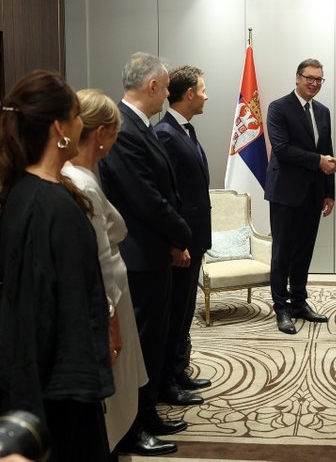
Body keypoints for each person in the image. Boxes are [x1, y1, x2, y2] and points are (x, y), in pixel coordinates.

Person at [0, 70, 114, 461]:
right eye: (77, 115)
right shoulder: (49, 206)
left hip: (53, 386)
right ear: (59, 129)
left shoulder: (29, 192)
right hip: (59, 397)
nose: (82, 124)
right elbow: (36, 315)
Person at [99, 52, 192, 456]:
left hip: (153, 252)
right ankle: (133, 428)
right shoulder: (123, 127)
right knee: (140, 345)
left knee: (153, 341)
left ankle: (148, 412)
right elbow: (146, 199)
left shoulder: (141, 124)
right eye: (166, 87)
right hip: (138, 257)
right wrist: (181, 234)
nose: (169, 94)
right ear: (152, 86)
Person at [61, 89, 149, 453]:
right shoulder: (81, 183)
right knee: (114, 387)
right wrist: (111, 326)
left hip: (114, 292)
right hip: (109, 298)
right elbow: (98, 261)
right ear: (101, 134)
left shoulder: (81, 175)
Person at [153, 66, 213, 405]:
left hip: (194, 239)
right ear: (189, 93)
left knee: (185, 310)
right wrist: (177, 243)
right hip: (181, 245)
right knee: (174, 313)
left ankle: (178, 370)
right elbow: (168, 195)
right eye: (202, 90)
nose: (206, 96)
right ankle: (166, 381)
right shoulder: (165, 134)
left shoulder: (185, 130)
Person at [265, 59, 336, 335]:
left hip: (313, 194)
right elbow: (282, 149)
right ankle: (281, 308)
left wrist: (328, 192)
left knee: (304, 251)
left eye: (319, 79)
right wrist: (318, 161)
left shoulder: (323, 111)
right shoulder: (278, 108)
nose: (314, 83)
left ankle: (298, 302)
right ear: (297, 78)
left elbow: (327, 151)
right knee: (282, 252)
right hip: (285, 192)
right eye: (310, 78)